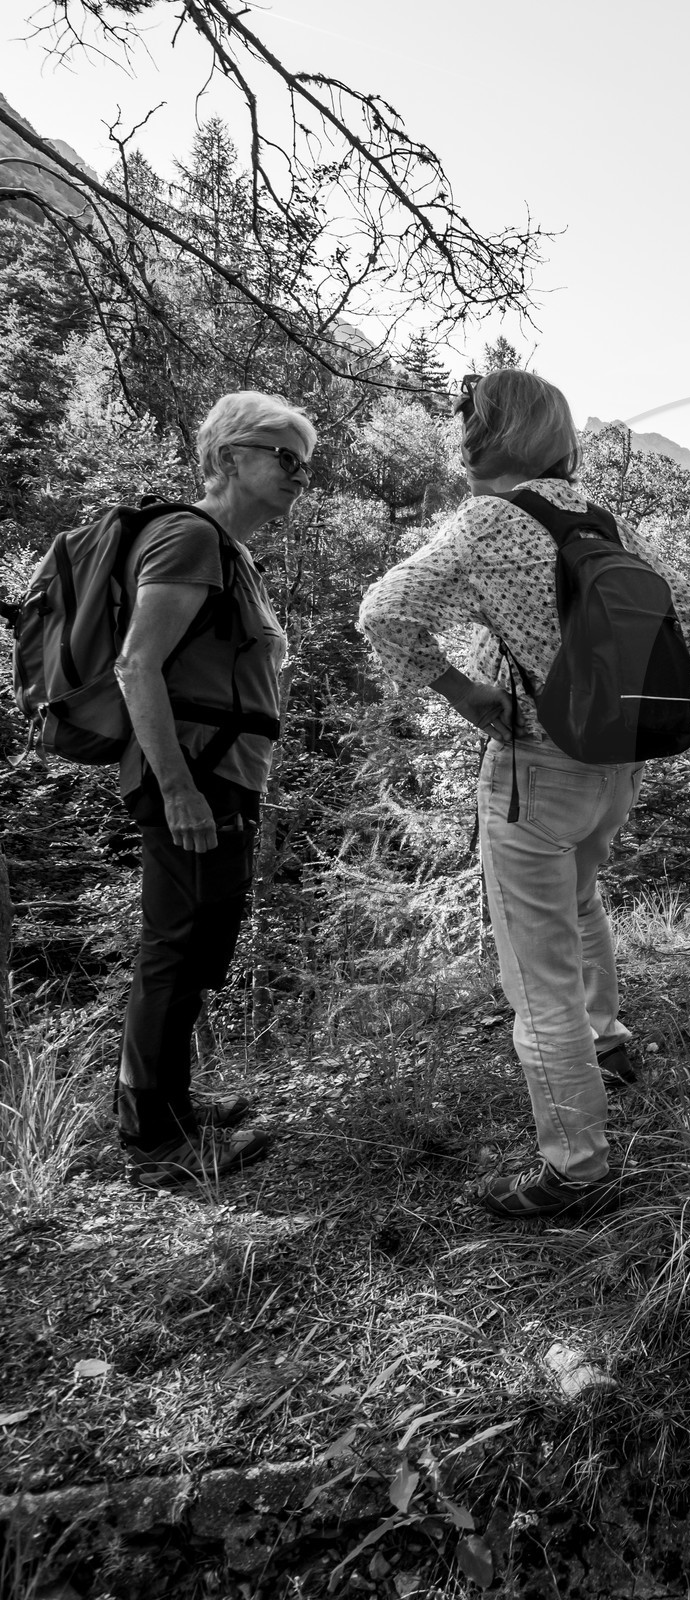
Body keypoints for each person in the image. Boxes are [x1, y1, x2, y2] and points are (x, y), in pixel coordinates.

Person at [358, 369, 690, 1224]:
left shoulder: (486, 521)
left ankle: (577, 1168)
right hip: (616, 768)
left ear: (485, 434)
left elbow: (384, 612)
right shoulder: (599, 520)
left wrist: (465, 691)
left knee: (536, 975)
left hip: (535, 767)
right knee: (583, 899)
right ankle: (608, 1043)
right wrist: (613, 700)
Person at [114, 390, 313, 1187]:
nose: (299, 474)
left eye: (306, 464)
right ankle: (154, 1143)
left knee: (197, 945)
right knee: (174, 949)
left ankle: (171, 1108)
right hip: (192, 776)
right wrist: (177, 788)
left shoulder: (228, 552)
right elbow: (137, 665)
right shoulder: (192, 537)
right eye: (285, 457)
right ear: (229, 458)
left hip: (221, 776)